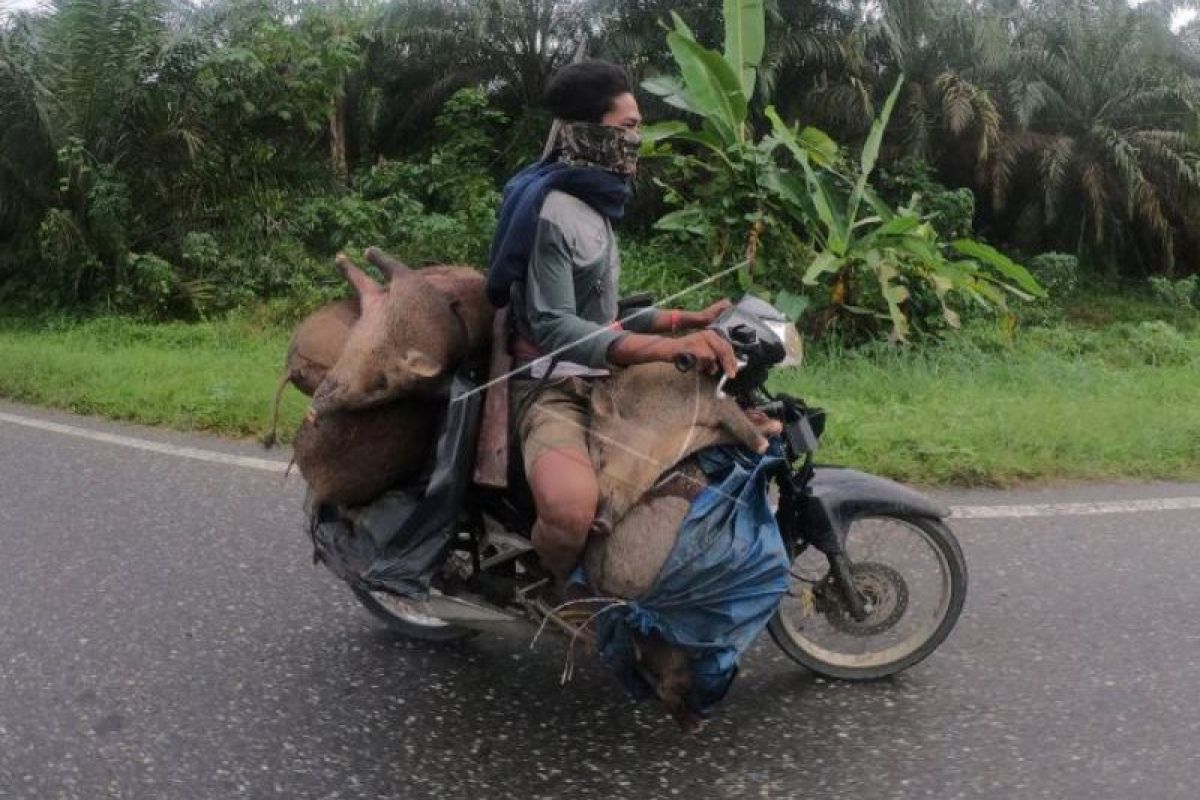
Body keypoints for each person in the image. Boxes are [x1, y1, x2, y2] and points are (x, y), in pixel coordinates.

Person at [487, 59, 740, 589]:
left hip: (601, 373)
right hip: (549, 386)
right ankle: (555, 589)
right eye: (628, 127)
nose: (638, 138)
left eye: (638, 126)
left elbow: (601, 313)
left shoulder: (594, 200)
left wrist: (682, 319)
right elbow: (556, 325)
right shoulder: (552, 209)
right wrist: (662, 347)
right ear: (587, 133)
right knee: (572, 510)